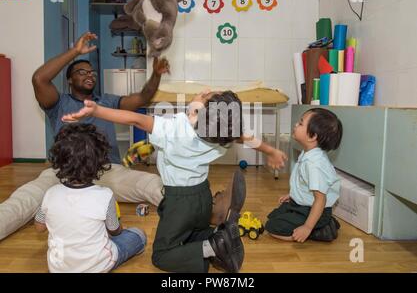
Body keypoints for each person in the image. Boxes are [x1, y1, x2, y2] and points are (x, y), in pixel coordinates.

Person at [62, 90, 288, 273]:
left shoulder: (176, 129)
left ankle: (212, 246)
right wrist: (271, 151)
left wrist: (97, 110)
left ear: (197, 116)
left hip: (180, 201)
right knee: (192, 231)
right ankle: (217, 237)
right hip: (202, 195)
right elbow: (244, 137)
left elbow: (135, 119)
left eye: (206, 98)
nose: (204, 92)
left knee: (162, 255)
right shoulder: (223, 136)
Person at [0, 32, 169, 241]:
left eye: (92, 73)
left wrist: (156, 74)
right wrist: (75, 52)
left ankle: (199, 212)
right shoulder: (57, 102)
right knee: (23, 200)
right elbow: (39, 79)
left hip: (106, 171)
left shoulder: (106, 101)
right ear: (70, 80)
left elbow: (142, 98)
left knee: (152, 184)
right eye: (82, 72)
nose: (90, 75)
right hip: (62, 173)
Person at [34, 123, 147, 273]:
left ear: (60, 160)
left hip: (58, 268)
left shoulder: (51, 193)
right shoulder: (105, 195)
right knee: (139, 234)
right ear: (99, 163)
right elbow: (115, 231)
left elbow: (39, 227)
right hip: (97, 266)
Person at [265, 108, 343, 243]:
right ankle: (324, 223)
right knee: (274, 216)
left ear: (312, 136)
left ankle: (319, 230)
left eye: (301, 123)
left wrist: (307, 227)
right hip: (303, 205)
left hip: (314, 209)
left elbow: (320, 200)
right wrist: (293, 194)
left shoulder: (314, 164)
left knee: (272, 227)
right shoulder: (308, 153)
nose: (296, 124)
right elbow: (305, 183)